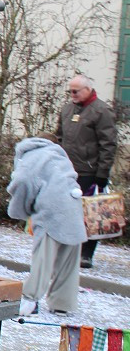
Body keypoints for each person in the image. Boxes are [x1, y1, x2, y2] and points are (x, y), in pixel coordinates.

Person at [7, 136, 86, 315]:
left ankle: (29, 299)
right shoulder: (59, 154)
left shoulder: (31, 156)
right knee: (69, 258)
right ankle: (63, 304)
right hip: (74, 204)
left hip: (51, 208)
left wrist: (21, 209)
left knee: (43, 257)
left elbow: (22, 181)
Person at [56, 74, 117, 269]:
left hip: (89, 172)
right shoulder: (67, 109)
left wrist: (102, 173)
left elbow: (108, 144)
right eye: (70, 91)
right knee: (67, 213)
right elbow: (58, 137)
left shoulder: (102, 111)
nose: (72, 94)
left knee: (91, 215)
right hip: (67, 171)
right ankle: (68, 250)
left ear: (87, 90)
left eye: (76, 91)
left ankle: (87, 254)